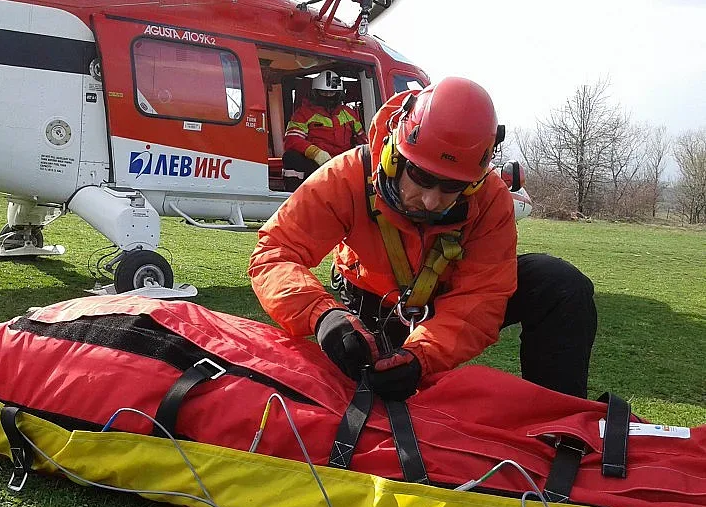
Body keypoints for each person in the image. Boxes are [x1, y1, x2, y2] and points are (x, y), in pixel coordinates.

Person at [249, 77, 596, 401]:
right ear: (393, 156)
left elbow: (484, 295)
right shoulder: (348, 176)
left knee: (559, 284)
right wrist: (321, 315)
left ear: (474, 180)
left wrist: (423, 354)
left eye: (452, 187)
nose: (431, 201)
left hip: (442, 306)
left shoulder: (490, 199)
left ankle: (559, 431)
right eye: (420, 176)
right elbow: (275, 253)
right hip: (366, 311)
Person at [282, 71, 365, 191]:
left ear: (339, 94)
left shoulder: (349, 114)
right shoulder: (303, 113)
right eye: (324, 92)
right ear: (315, 93)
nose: (328, 95)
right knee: (291, 157)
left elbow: (361, 139)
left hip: (343, 164)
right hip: (315, 163)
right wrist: (316, 153)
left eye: (332, 92)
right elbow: (292, 140)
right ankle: (295, 194)